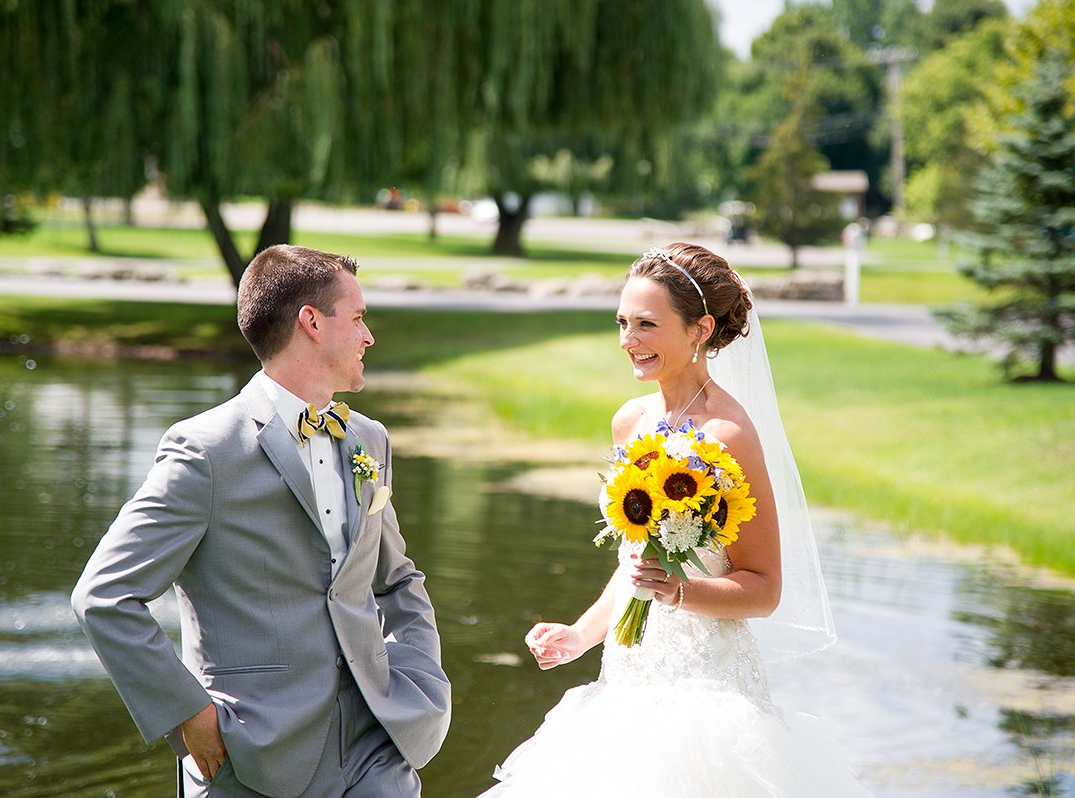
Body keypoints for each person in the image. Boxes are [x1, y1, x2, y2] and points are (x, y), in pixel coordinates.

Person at [483, 243, 870, 797]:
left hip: (704, 693)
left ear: (700, 329)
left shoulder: (729, 436)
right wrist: (580, 635)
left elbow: (763, 589)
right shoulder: (630, 422)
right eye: (621, 323)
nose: (627, 341)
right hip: (625, 679)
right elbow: (634, 564)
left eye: (645, 324)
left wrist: (679, 592)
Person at [72, 245, 450, 798]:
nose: (369, 336)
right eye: (359, 318)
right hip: (252, 758)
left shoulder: (369, 438)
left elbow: (396, 579)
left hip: (377, 746)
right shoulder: (205, 451)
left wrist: (420, 681)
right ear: (312, 323)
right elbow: (103, 596)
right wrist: (189, 716)